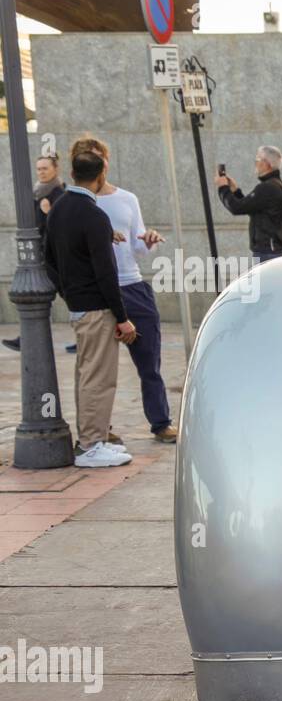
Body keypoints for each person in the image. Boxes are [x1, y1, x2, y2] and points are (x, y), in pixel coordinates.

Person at [70, 136, 176, 443]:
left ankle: (160, 422)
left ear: (106, 161)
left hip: (132, 287)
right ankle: (100, 430)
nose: (96, 162)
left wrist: (148, 241)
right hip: (97, 294)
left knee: (149, 363)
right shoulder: (76, 202)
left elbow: (136, 248)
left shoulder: (127, 198)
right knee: (97, 371)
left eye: (99, 156)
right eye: (87, 156)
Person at [44, 150, 138, 468]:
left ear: (72, 174)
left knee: (87, 376)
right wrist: (122, 317)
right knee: (99, 378)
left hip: (78, 305)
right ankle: (91, 445)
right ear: (101, 176)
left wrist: (68, 294)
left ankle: (90, 440)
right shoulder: (95, 216)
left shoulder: (58, 209)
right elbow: (105, 272)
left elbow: (48, 259)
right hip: (97, 308)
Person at [3, 153, 68, 354]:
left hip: (57, 256)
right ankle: (27, 338)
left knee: (69, 296)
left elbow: (64, 227)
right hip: (42, 255)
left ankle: (85, 336)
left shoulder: (60, 194)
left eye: (45, 168)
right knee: (38, 295)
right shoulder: (37, 193)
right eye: (38, 168)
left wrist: (50, 213)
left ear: (55, 170)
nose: (41, 172)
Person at [216, 144, 282, 263]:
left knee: (265, 282)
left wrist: (223, 188)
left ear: (266, 164)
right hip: (270, 250)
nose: (255, 163)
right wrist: (235, 191)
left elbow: (236, 208)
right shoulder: (275, 185)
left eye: (257, 159)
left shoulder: (267, 188)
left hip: (267, 252)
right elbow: (251, 207)